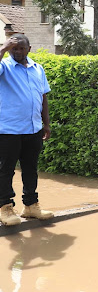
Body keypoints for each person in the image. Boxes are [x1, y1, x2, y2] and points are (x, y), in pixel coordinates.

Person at [0, 34, 54, 226]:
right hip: (8, 130)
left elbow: (43, 97)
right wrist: (3, 48)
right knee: (6, 170)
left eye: (21, 48)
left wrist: (45, 124)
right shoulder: (4, 67)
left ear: (29, 49)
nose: (17, 51)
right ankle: (5, 208)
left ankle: (30, 206)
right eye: (14, 48)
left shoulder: (37, 69)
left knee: (31, 169)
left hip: (33, 129)